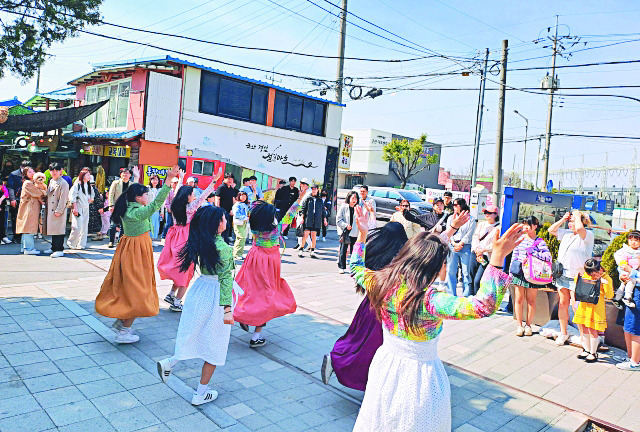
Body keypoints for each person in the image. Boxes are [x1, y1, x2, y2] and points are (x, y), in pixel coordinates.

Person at [349, 205, 522, 431]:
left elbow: (355, 267)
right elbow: (483, 305)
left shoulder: (383, 283)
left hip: (384, 365)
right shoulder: (431, 301)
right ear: (434, 267)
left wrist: (362, 234)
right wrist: (497, 258)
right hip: (421, 378)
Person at [156, 205, 236, 405]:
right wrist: (227, 309)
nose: (226, 221)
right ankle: (200, 393)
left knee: (192, 332)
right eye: (224, 218)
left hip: (199, 290)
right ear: (218, 224)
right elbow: (226, 279)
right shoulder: (224, 248)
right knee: (215, 344)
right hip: (217, 295)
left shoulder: (200, 242)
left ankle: (171, 362)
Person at [95, 165, 179, 343]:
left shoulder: (130, 208)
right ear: (138, 198)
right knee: (138, 290)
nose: (149, 197)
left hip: (133, 250)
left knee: (131, 287)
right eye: (146, 194)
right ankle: (124, 331)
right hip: (136, 252)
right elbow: (157, 204)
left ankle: (122, 322)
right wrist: (168, 181)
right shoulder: (135, 212)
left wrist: (136, 175)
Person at [321, 222, 408, 389]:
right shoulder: (403, 260)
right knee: (373, 350)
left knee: (356, 341)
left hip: (369, 308)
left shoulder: (377, 254)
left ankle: (336, 359)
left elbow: (356, 266)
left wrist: (362, 235)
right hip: (388, 313)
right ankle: (374, 386)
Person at [233, 192, 307, 347]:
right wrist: (299, 199)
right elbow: (289, 215)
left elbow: (256, 210)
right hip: (269, 263)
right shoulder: (275, 230)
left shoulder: (254, 227)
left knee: (250, 291)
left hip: (253, 259)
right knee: (267, 297)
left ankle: (243, 316)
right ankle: (256, 336)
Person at [158, 169, 222, 312]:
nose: (195, 196)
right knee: (187, 271)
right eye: (193, 194)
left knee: (179, 268)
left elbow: (176, 193)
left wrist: (181, 178)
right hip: (186, 239)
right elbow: (204, 196)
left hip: (174, 237)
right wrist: (214, 180)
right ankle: (177, 302)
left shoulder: (175, 205)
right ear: (187, 196)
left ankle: (171, 294)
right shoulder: (190, 207)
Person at [548, 210, 595, 345]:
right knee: (563, 303)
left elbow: (580, 228)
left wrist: (576, 214)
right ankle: (563, 333)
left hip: (577, 276)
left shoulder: (587, 235)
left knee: (576, 307)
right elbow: (551, 230)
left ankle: (583, 336)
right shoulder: (567, 235)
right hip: (562, 274)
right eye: (570, 222)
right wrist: (563, 219)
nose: (570, 224)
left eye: (572, 221)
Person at [509, 216, 551, 336]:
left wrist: (535, 252)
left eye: (528, 225)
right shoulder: (520, 239)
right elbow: (514, 255)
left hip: (533, 274)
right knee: (518, 299)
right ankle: (519, 325)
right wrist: (511, 272)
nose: (525, 227)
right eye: (524, 224)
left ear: (535, 226)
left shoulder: (540, 242)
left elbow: (548, 257)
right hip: (519, 273)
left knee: (531, 300)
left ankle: (528, 325)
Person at [572, 259, 614, 363]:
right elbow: (578, 285)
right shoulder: (585, 275)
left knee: (593, 330)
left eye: (596, 271)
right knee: (584, 327)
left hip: (596, 308)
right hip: (584, 306)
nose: (594, 274)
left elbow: (610, 295)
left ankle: (593, 352)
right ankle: (586, 349)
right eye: (591, 272)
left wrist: (605, 284)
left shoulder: (606, 278)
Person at [446, 198, 476, 297]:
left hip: (465, 246)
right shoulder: (451, 218)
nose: (454, 207)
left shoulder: (470, 219)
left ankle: (466, 295)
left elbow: (469, 234)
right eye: (453, 205)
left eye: (456, 205)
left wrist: (461, 243)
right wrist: (454, 243)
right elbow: (448, 232)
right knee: (451, 270)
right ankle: (451, 294)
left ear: (461, 205)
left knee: (466, 272)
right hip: (452, 245)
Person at [469, 206, 501, 295]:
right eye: (485, 212)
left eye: (489, 213)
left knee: (478, 280)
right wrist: (477, 249)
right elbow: (475, 237)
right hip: (475, 253)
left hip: (487, 255)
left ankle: (477, 300)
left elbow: (495, 243)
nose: (486, 214)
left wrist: (483, 250)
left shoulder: (498, 228)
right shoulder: (481, 224)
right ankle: (469, 299)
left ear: (495, 214)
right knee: (470, 278)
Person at [16, 168, 47, 254]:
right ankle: (28, 249)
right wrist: (44, 192)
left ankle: (24, 247)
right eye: (30, 172)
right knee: (29, 228)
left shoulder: (32, 183)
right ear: (25, 174)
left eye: (33, 171)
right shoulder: (28, 183)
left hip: (32, 207)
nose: (32, 173)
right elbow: (36, 193)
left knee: (27, 227)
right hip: (29, 208)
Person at [617, 268, 640, 371]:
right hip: (633, 291)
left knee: (635, 327)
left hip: (638, 292)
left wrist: (632, 272)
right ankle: (630, 357)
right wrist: (623, 277)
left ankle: (635, 362)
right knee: (629, 325)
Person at [68, 169, 95, 250]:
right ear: (82, 176)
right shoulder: (77, 185)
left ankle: (81, 244)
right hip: (78, 208)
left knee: (84, 227)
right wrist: (75, 208)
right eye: (87, 175)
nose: (89, 176)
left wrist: (91, 199)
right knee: (77, 226)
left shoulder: (89, 186)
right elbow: (72, 197)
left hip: (86, 207)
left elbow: (92, 195)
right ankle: (72, 242)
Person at [299, 184, 327, 259]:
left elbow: (323, 210)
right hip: (309, 219)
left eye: (315, 189)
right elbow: (303, 209)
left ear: (318, 190)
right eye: (312, 189)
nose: (314, 190)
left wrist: (324, 219)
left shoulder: (320, 200)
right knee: (305, 234)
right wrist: (302, 217)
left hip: (316, 219)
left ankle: (312, 250)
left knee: (313, 235)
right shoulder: (308, 198)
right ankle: (301, 248)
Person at [613, 230, 640, 309]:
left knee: (630, 281)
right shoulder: (624, 251)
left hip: (636, 280)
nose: (633, 242)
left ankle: (620, 298)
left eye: (636, 240)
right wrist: (622, 274)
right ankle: (624, 298)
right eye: (631, 240)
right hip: (628, 274)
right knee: (627, 282)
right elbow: (621, 264)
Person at [7, 160, 32, 244]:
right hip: (17, 199)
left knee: (25, 218)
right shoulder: (14, 174)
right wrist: (12, 199)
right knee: (16, 218)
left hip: (27, 200)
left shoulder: (30, 175)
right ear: (21, 167)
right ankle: (16, 236)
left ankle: (23, 236)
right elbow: (10, 187)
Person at [108, 168, 132, 247]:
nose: (125, 175)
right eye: (123, 173)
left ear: (130, 175)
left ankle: (120, 241)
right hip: (116, 207)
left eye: (127, 173)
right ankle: (111, 241)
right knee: (113, 225)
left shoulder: (131, 185)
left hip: (127, 207)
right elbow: (111, 195)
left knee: (123, 225)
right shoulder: (115, 183)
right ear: (120, 174)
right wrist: (111, 205)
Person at [336, 191, 360, 274]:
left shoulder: (358, 208)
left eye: (356, 198)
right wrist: (345, 225)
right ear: (349, 198)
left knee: (354, 251)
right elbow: (338, 219)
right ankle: (342, 267)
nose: (354, 200)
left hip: (355, 232)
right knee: (343, 249)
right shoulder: (343, 207)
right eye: (353, 198)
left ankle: (353, 267)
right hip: (345, 231)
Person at [214, 173, 238, 244]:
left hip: (229, 210)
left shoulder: (231, 189)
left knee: (228, 226)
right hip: (222, 210)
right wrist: (218, 209)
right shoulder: (221, 187)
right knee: (222, 226)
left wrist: (233, 209)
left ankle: (226, 240)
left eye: (231, 179)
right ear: (224, 179)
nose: (230, 180)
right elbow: (217, 198)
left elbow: (233, 200)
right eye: (228, 179)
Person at [231, 191, 249, 260]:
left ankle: (237, 253)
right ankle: (237, 254)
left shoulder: (244, 204)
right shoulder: (237, 205)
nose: (244, 197)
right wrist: (244, 218)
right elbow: (236, 214)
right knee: (241, 238)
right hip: (239, 222)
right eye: (242, 196)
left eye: (245, 196)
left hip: (243, 223)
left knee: (241, 238)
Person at [293, 178, 310, 250]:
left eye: (303, 184)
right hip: (299, 213)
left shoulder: (309, 193)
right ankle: (300, 244)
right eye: (301, 184)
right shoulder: (302, 192)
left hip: (305, 214)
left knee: (303, 230)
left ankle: (310, 244)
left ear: (306, 185)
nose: (301, 185)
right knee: (299, 229)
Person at [88, 176, 106, 241]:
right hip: (93, 207)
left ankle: (99, 234)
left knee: (94, 222)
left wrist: (100, 207)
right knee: (95, 221)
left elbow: (97, 199)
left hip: (91, 207)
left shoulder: (91, 189)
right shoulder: (94, 188)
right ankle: (98, 234)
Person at [147, 175, 162, 240]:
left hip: (156, 210)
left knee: (155, 225)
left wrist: (162, 212)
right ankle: (147, 239)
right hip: (148, 209)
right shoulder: (147, 188)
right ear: (150, 180)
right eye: (153, 179)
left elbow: (162, 201)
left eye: (156, 180)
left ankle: (152, 240)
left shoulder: (160, 190)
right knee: (148, 224)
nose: (155, 181)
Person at [0, 180, 9, 244]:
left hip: (2, 206)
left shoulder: (2, 187)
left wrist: (1, 199)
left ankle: (3, 237)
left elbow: (6, 193)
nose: (0, 188)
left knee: (2, 221)